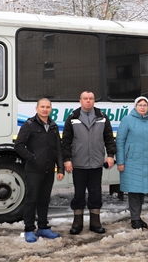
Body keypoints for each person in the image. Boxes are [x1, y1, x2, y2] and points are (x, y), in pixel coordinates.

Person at [61, 91, 117, 234]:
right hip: (78, 164)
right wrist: (67, 159)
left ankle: (95, 222)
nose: (88, 101)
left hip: (96, 164)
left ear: (94, 101)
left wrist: (110, 155)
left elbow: (109, 138)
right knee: (78, 194)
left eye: (91, 98)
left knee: (96, 194)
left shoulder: (102, 118)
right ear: (80, 101)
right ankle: (77, 223)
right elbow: (66, 141)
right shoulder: (73, 118)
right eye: (85, 99)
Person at [14, 98, 64, 243]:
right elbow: (19, 145)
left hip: (49, 170)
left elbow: (58, 149)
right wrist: (32, 158)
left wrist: (60, 168)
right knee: (31, 200)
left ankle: (43, 227)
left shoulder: (53, 126)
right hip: (34, 171)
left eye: (48, 107)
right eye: (42, 107)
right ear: (37, 108)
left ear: (51, 109)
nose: (45, 109)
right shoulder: (29, 125)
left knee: (44, 200)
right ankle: (29, 229)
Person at [116, 96, 148, 229]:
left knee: (141, 190)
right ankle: (135, 219)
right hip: (131, 161)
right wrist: (121, 161)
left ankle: (138, 217)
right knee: (134, 191)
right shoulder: (127, 120)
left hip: (146, 161)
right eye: (140, 105)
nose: (142, 107)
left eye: (145, 105)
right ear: (135, 106)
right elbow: (120, 141)